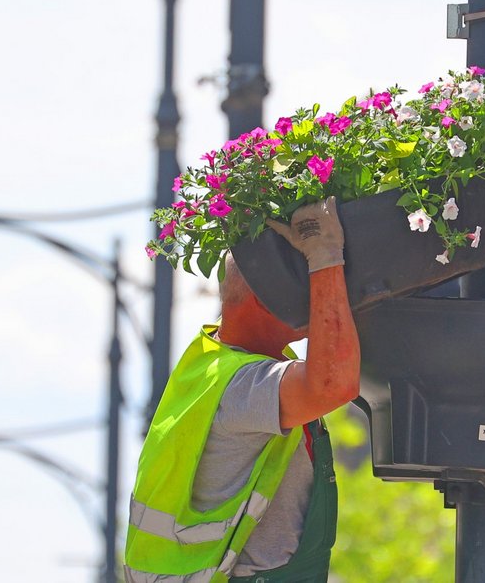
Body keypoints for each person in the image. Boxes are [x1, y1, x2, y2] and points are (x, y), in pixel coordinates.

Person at [125, 197, 360, 582]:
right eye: (304, 283)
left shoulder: (214, 365)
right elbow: (333, 384)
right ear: (265, 302)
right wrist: (324, 254)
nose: (316, 294)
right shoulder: (242, 388)